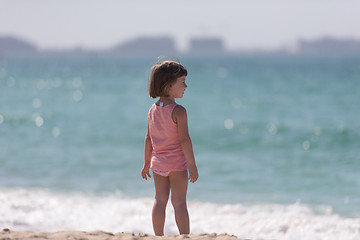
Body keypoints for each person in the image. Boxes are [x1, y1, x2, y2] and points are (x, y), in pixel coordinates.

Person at [141, 60, 199, 236]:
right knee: (179, 203)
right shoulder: (178, 111)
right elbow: (185, 140)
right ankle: (185, 236)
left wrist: (146, 163)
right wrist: (192, 165)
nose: (186, 86)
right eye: (182, 82)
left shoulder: (152, 110)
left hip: (158, 164)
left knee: (159, 200)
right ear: (168, 85)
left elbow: (148, 138)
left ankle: (158, 236)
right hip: (177, 165)